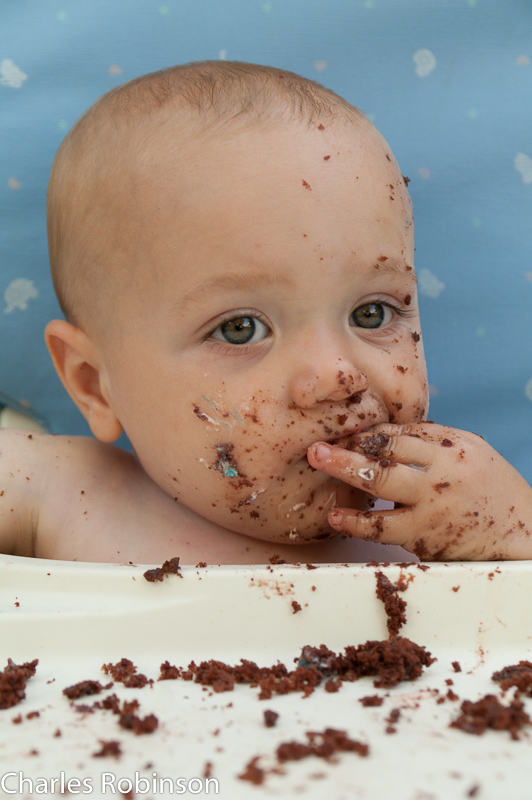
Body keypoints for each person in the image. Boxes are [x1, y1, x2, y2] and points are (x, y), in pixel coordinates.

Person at [1, 61, 531, 564]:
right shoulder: (66, 494)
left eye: (372, 314)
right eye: (241, 329)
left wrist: (515, 533)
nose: (336, 377)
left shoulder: (444, 522)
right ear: (95, 383)